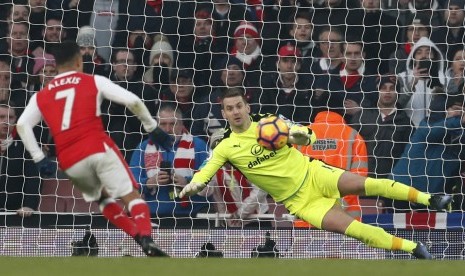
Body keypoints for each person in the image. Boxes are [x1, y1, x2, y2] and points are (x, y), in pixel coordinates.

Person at [179, 87, 453, 259]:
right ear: (224, 113)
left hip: (314, 173)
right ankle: (413, 248)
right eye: (229, 108)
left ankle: (431, 199)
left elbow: (308, 134)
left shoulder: (270, 123)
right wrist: (193, 185)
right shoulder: (226, 147)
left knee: (367, 184)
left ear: (247, 107)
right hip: (301, 202)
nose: (235, 111)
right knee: (355, 230)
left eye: (239, 105)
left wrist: (299, 136)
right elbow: (207, 170)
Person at [16, 41, 170, 257]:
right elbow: (133, 100)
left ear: (57, 66)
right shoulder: (93, 80)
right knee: (131, 196)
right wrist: (152, 127)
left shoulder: (41, 95)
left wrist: (39, 157)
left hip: (69, 160)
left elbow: (22, 125)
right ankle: (146, 237)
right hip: (95, 146)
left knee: (103, 199)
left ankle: (137, 236)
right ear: (79, 61)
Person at [130, 104, 211, 224]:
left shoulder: (199, 146)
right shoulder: (143, 148)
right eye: (163, 124)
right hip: (154, 217)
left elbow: (212, 181)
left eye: (173, 124)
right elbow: (130, 183)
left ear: (181, 124)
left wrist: (188, 182)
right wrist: (148, 183)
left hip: (193, 217)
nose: (167, 129)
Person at [0, 101, 41, 218]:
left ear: (15, 119)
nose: (6, 122)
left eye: (10, 117)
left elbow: (33, 178)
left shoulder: (26, 146)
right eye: (1, 117)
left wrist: (29, 205)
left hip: (15, 213)